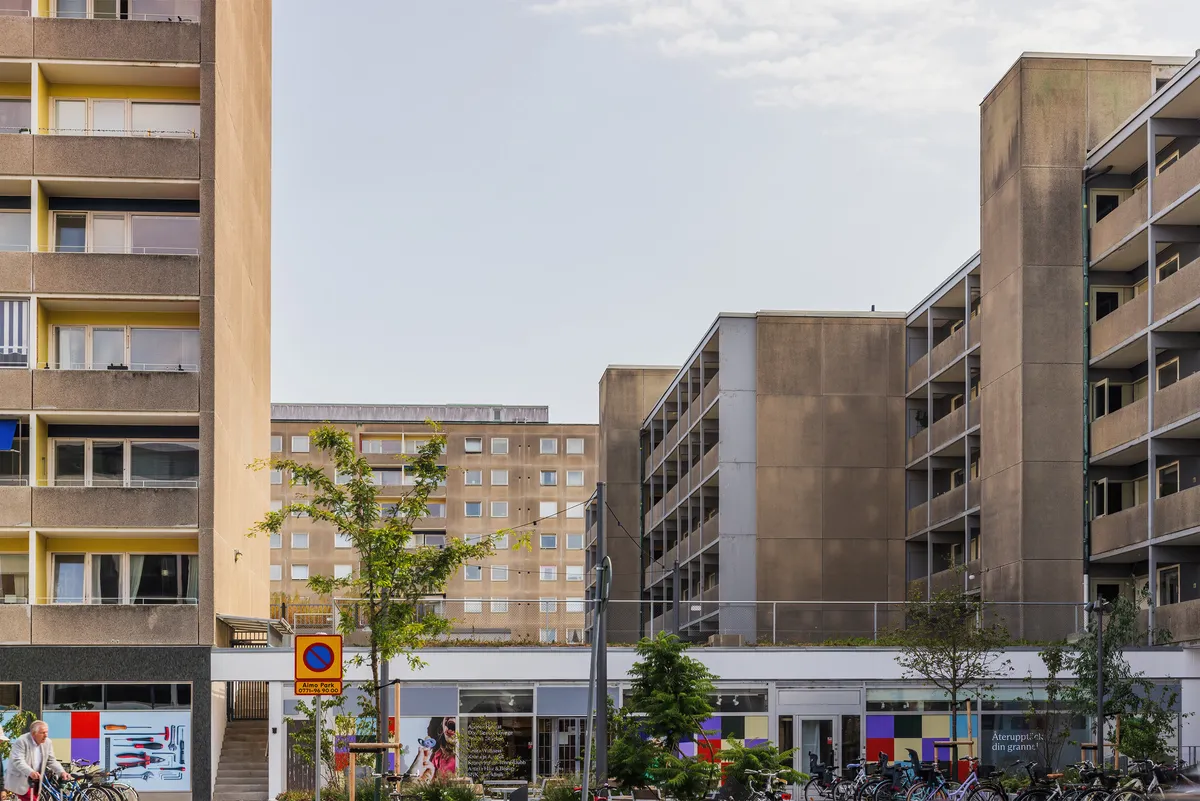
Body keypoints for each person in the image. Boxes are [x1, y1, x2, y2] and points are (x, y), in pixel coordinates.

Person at [3, 721, 69, 801]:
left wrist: (61, 772)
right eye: (43, 733)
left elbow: (51, 760)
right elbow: (18, 760)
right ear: (33, 733)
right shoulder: (22, 741)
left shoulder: (47, 742)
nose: (46, 735)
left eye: (47, 732)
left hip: (36, 780)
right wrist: (30, 772)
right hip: (20, 779)